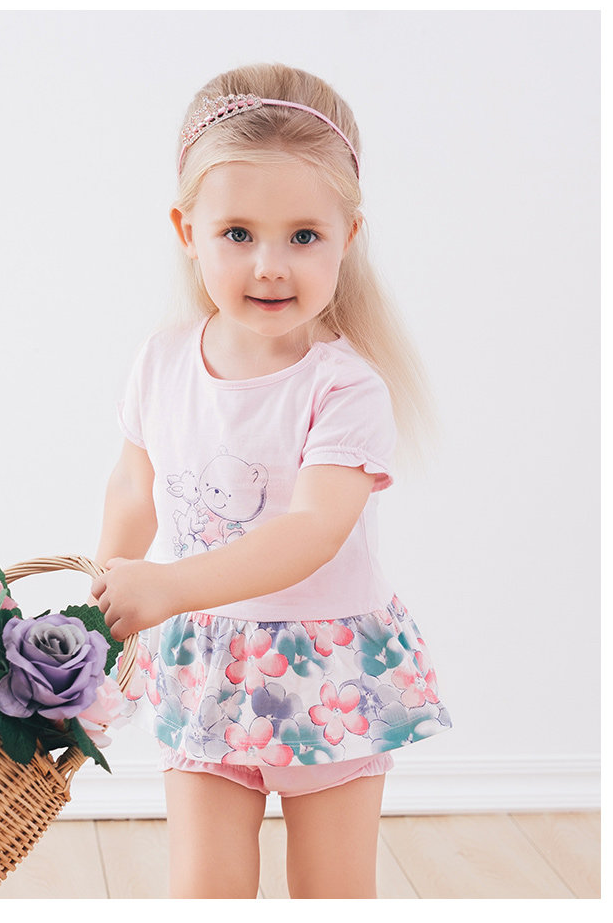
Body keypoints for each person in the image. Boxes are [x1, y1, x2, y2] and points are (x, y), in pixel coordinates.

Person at [90, 62, 452, 900]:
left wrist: (166, 586)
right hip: (204, 660)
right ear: (186, 230)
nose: (270, 266)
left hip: (326, 669)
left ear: (348, 236)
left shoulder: (345, 388)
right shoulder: (162, 361)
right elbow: (134, 486)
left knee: (331, 888)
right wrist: (104, 595)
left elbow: (311, 531)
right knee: (204, 888)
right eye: (238, 233)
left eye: (304, 237)